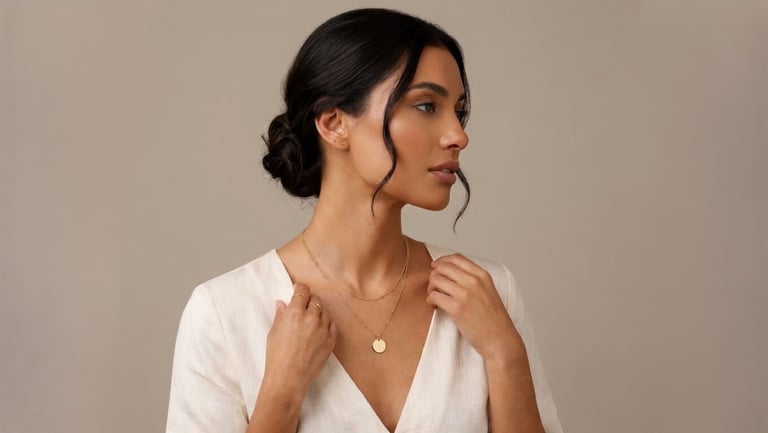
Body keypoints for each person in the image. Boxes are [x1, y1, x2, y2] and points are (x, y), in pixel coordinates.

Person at [166, 8, 563, 433]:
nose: (458, 135)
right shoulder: (225, 314)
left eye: (459, 112)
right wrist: (280, 396)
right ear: (334, 123)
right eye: (426, 106)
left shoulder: (488, 293)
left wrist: (505, 354)